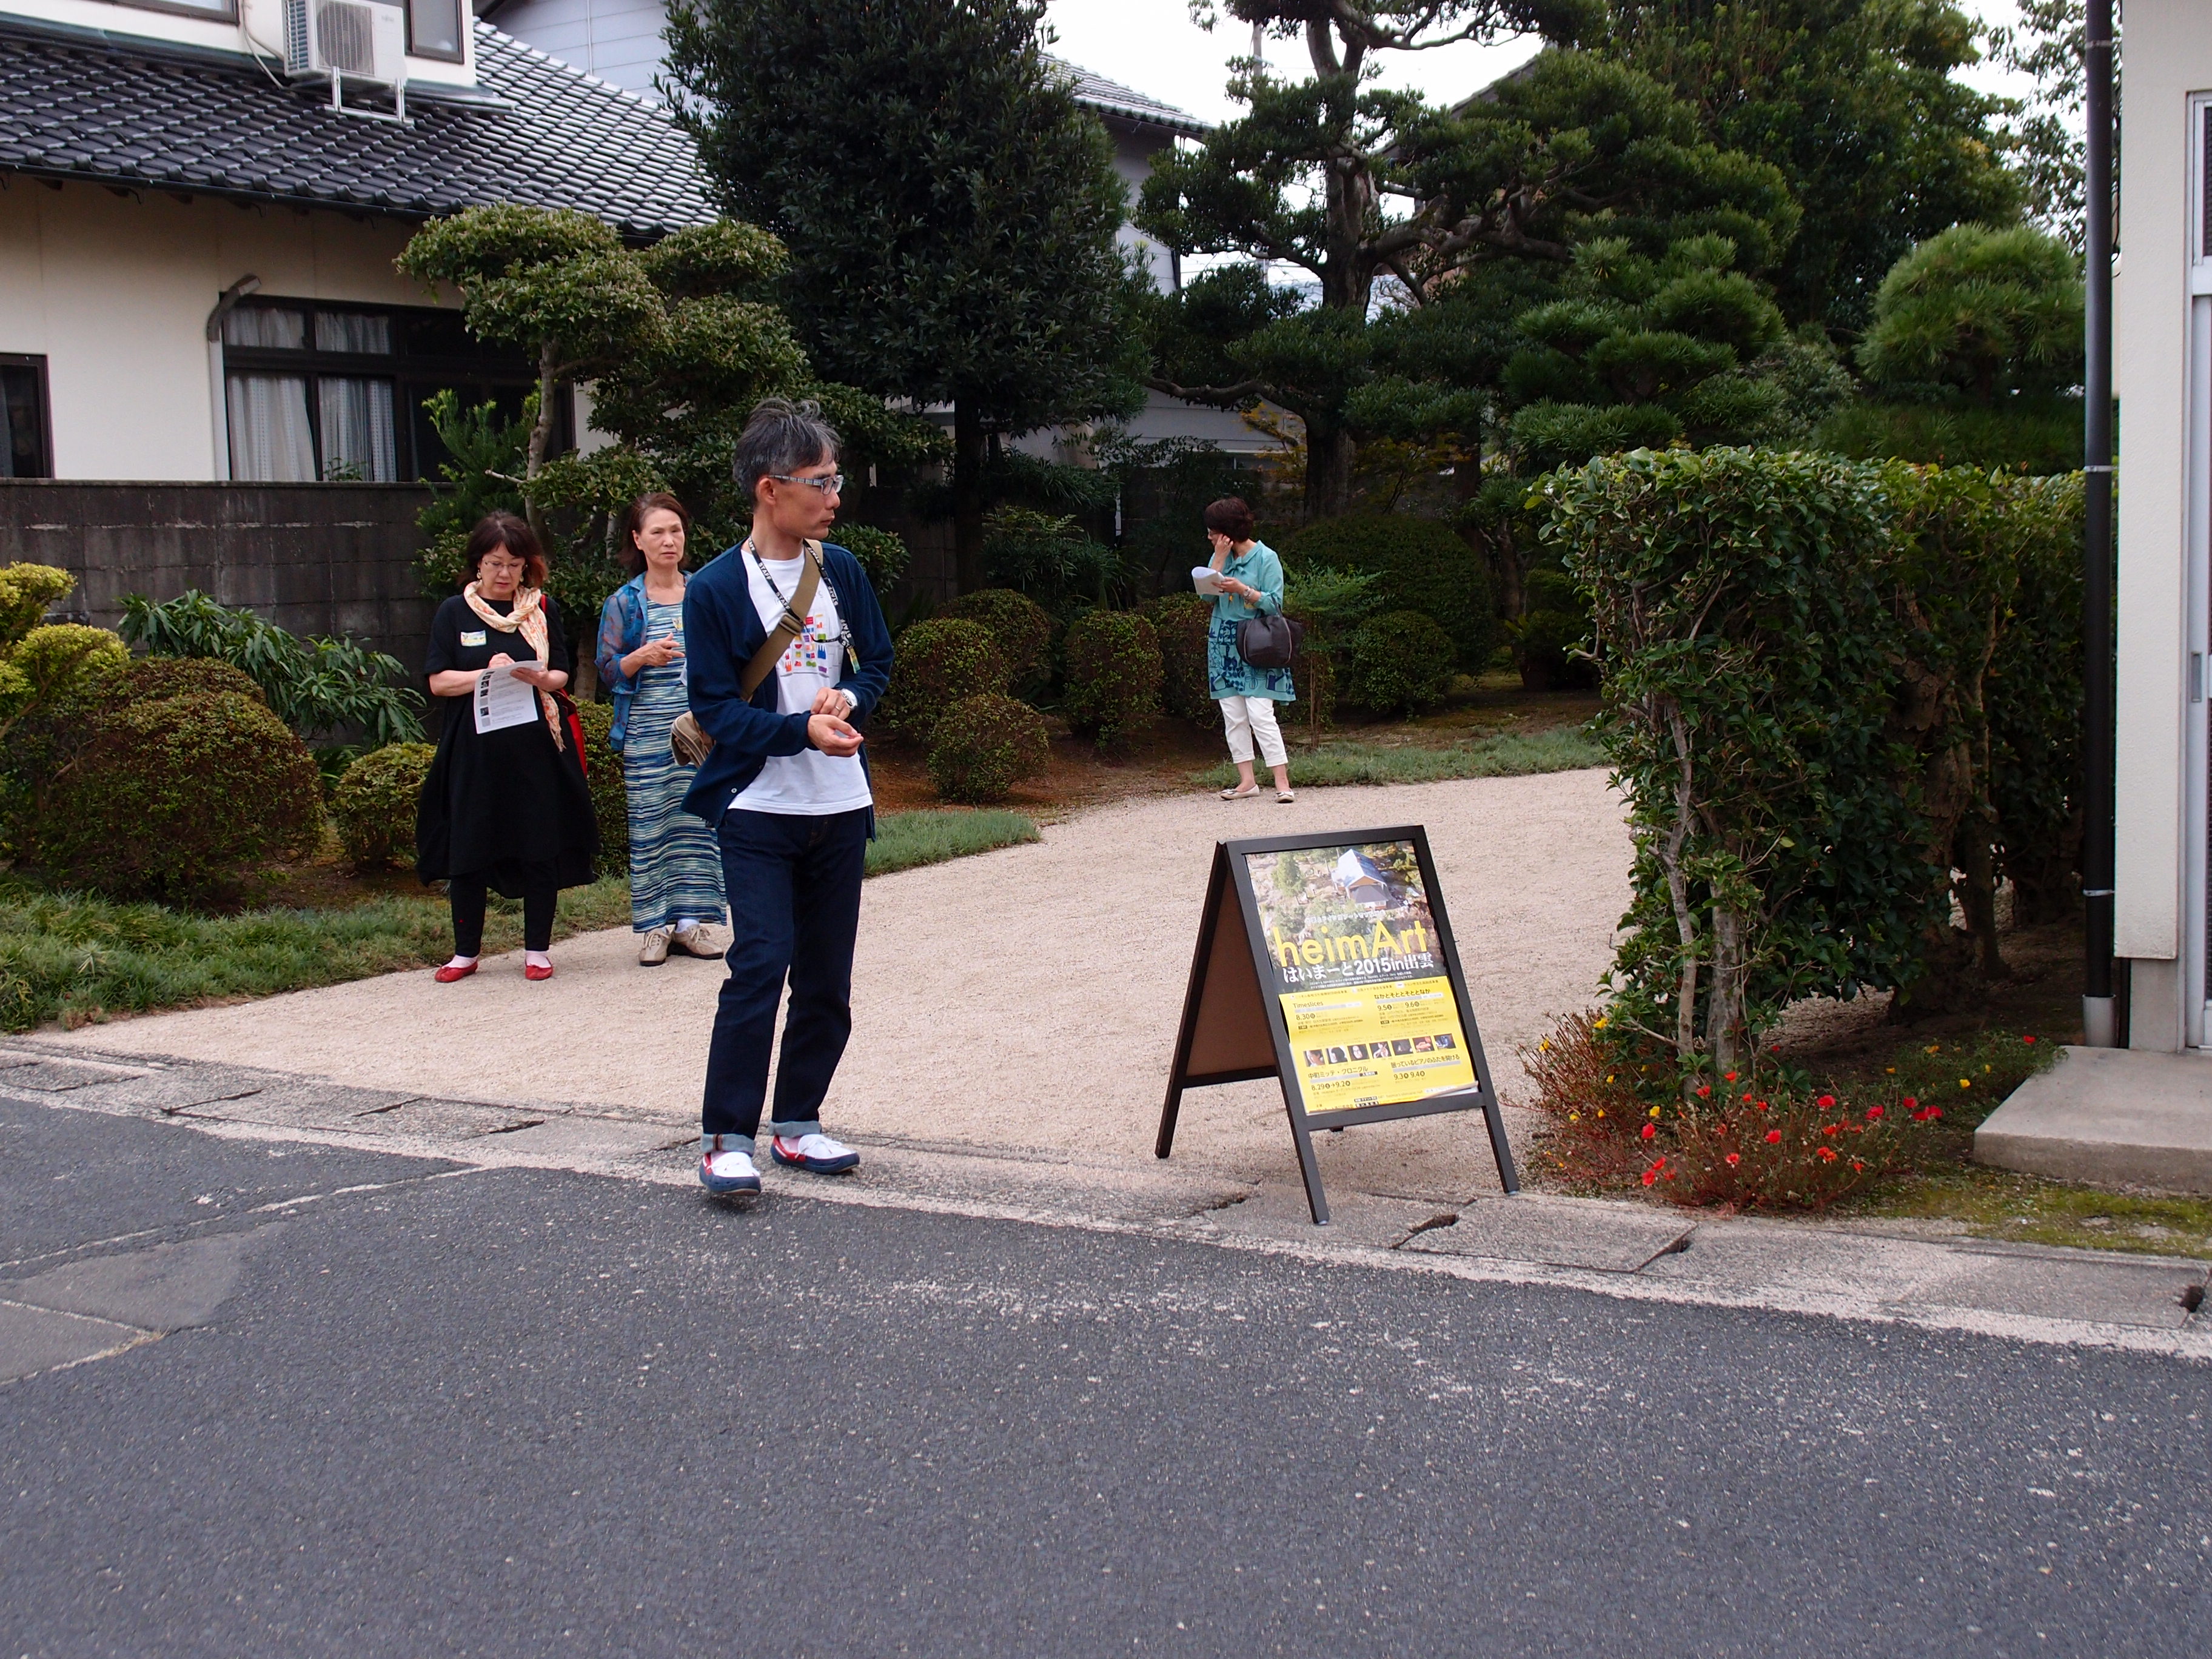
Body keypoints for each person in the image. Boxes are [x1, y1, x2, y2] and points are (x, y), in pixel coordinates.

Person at [685, 399, 894, 1198]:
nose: (835, 496)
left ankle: (799, 1123)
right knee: (760, 964)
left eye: (836, 480)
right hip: (757, 810)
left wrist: (850, 699)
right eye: (821, 482)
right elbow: (716, 711)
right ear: (770, 489)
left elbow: (878, 662)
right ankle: (727, 1136)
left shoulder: (841, 571)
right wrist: (799, 731)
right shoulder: (715, 588)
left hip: (838, 807)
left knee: (827, 978)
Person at [417, 512, 599, 982]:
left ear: (526, 566)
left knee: (539, 844)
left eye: (514, 565)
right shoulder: (454, 612)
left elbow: (560, 672)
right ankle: (465, 952)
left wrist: (538, 677)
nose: (504, 574)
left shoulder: (540, 610)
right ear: (477, 563)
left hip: (534, 746)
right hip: (474, 750)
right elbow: (438, 681)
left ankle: (537, 949)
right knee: (469, 845)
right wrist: (487, 674)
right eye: (495, 563)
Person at [597, 491, 730, 967]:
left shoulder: (704, 592)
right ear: (638, 540)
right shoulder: (624, 602)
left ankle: (692, 924)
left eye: (676, 530)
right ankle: (655, 927)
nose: (669, 540)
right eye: (657, 532)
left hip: (701, 732)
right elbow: (607, 670)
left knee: (698, 823)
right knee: (651, 827)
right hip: (647, 734)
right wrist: (642, 656)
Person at [1202, 497, 1295, 803]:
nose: (1209, 536)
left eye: (1213, 531)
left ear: (1227, 531)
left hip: (1256, 645)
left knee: (1261, 715)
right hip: (1223, 645)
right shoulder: (1221, 556)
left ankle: (1282, 782)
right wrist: (1217, 560)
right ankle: (1247, 782)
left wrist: (1243, 590)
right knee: (1234, 716)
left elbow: (1275, 605)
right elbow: (1206, 597)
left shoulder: (1267, 558)